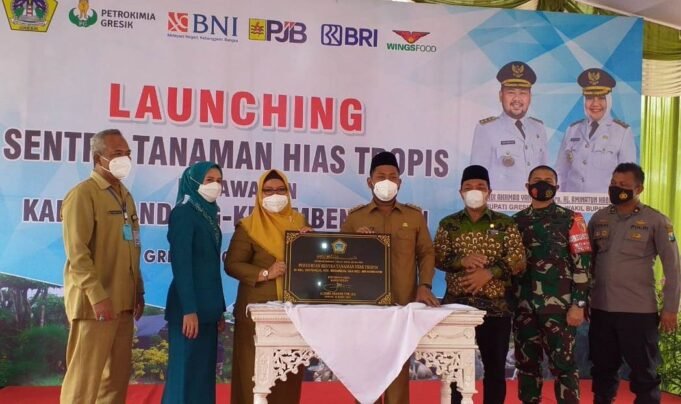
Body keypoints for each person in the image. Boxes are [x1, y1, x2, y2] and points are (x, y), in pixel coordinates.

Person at [341, 151, 439, 404]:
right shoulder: (355, 218)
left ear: (400, 182)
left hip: (402, 304)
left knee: (398, 370)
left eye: (392, 177)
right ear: (370, 181)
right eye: (381, 176)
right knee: (367, 371)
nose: (387, 181)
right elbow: (340, 260)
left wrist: (425, 285)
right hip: (366, 306)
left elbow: (426, 253)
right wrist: (357, 244)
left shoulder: (414, 216)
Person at [60, 129, 145, 404]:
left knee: (115, 381)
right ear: (98, 158)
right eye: (117, 154)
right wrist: (97, 296)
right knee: (84, 381)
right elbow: (77, 254)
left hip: (124, 302)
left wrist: (138, 291)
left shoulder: (125, 196)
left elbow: (132, 247)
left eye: (127, 154)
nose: (125, 159)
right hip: (95, 305)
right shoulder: (82, 194)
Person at [588, 163, 680, 404]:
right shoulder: (599, 218)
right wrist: (584, 300)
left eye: (623, 185)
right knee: (602, 369)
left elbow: (672, 267)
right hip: (602, 308)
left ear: (639, 189)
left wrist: (670, 308)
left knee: (644, 373)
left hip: (638, 311)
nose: (616, 188)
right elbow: (587, 263)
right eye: (613, 183)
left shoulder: (657, 220)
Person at [433, 164, 526, 404]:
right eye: (469, 187)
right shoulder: (449, 224)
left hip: (495, 309)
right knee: (455, 371)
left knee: (495, 370)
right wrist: (461, 261)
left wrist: (489, 273)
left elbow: (518, 260)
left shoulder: (505, 223)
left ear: (489, 192)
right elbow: (438, 258)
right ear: (461, 192)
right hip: (457, 309)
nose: (474, 191)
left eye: (480, 186)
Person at [225, 169, 311, 404]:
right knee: (253, 377)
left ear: (289, 193)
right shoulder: (248, 227)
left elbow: (312, 263)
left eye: (281, 190)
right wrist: (265, 273)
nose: (275, 195)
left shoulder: (300, 223)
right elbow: (232, 264)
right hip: (257, 315)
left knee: (288, 377)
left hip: (291, 313)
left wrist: (310, 242)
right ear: (259, 194)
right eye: (269, 190)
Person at [512, 165, 592, 404]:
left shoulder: (572, 219)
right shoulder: (515, 222)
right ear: (527, 187)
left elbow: (583, 265)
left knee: (564, 367)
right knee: (526, 366)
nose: (542, 184)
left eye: (548, 180)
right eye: (537, 179)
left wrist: (579, 304)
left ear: (557, 187)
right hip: (524, 308)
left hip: (560, 309)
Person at [162, 161, 226, 404]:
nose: (215, 185)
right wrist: (189, 310)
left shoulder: (209, 215)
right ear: (194, 182)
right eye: (209, 180)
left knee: (202, 378)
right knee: (184, 377)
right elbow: (181, 264)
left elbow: (212, 269)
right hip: (188, 311)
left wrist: (218, 310)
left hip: (208, 311)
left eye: (218, 180)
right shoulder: (183, 213)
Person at [556, 68, 637, 192]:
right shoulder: (572, 130)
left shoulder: (622, 132)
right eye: (590, 98)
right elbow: (560, 173)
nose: (595, 103)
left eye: (601, 98)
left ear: (609, 100)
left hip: (606, 202)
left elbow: (628, 177)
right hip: (572, 201)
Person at [471, 61, 548, 191]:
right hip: (501, 203)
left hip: (534, 202)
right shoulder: (486, 129)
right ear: (501, 96)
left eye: (523, 93)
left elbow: (545, 174)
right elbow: (476, 178)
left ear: (530, 97)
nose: (517, 99)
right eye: (511, 92)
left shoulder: (538, 128)